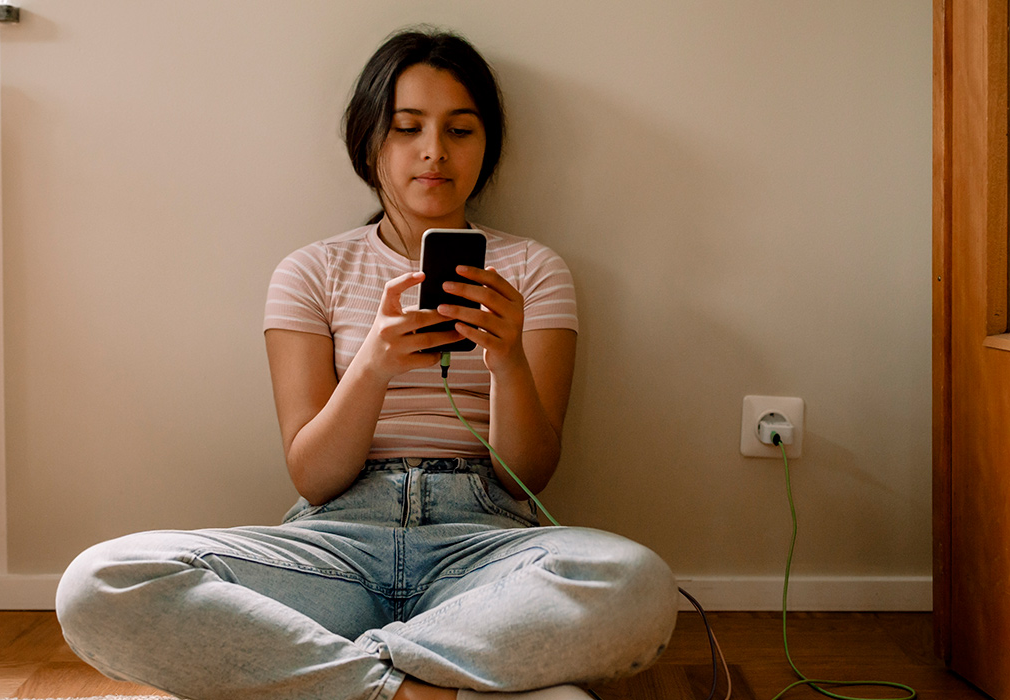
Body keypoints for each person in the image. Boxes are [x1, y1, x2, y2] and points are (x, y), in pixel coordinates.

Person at [55, 27, 678, 700]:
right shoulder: (312, 271)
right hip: (335, 545)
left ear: (486, 144)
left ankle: (337, 676)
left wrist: (507, 363)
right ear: (368, 139)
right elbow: (313, 475)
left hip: (484, 547)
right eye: (407, 128)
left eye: (460, 131)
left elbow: (528, 477)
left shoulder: (534, 270)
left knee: (636, 582)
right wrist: (373, 367)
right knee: (99, 582)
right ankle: (421, 688)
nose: (434, 151)